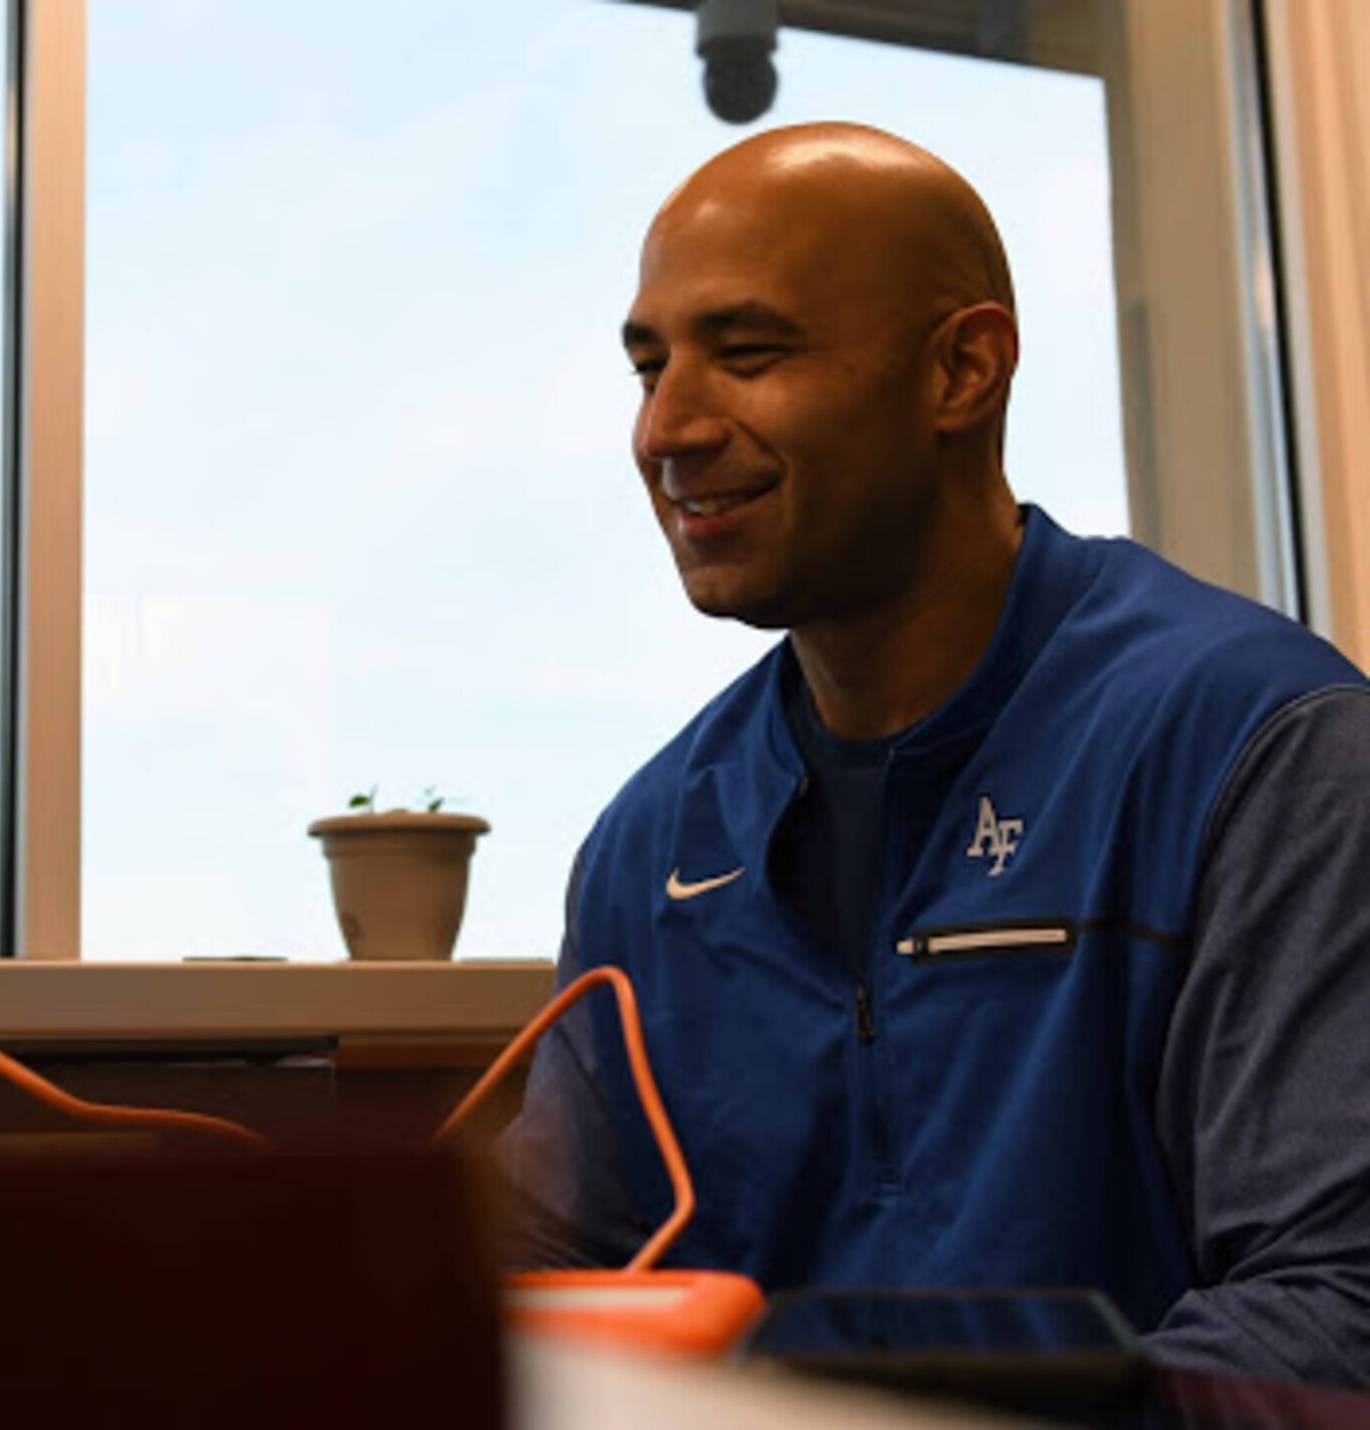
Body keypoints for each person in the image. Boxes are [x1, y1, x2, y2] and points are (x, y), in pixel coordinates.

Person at [498, 122, 1370, 1389]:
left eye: (747, 353)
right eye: (647, 368)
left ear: (963, 369)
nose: (666, 428)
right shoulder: (650, 847)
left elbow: (1337, 1313)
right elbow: (549, 1297)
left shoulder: (1261, 753)